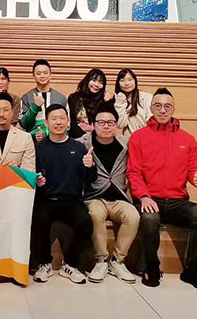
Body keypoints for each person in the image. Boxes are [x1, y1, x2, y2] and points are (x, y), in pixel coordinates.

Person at [126, 88, 197, 291]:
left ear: (173, 109)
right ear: (151, 108)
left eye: (167, 106)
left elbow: (196, 171)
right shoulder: (138, 137)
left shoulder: (187, 139)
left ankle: (193, 270)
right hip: (150, 198)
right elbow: (133, 173)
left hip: (178, 201)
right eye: (158, 106)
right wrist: (144, 196)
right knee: (149, 218)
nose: (162, 110)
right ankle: (151, 266)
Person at [31, 104, 96, 284]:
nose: (58, 122)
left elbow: (90, 179)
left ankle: (71, 265)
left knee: (85, 222)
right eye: (54, 119)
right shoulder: (39, 148)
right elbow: (32, 175)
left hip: (72, 200)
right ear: (46, 123)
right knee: (37, 220)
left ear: (68, 122)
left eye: (62, 118)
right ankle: (44, 263)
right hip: (46, 199)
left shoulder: (79, 147)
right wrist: (37, 182)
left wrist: (90, 166)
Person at [77, 102, 139, 284]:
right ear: (93, 124)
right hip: (94, 197)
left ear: (116, 124)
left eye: (110, 122)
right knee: (95, 214)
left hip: (119, 197)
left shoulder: (126, 143)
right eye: (101, 122)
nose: (106, 126)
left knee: (133, 216)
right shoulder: (82, 144)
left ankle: (117, 261)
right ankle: (101, 261)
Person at [19, 59, 68, 140]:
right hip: (33, 140)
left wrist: (48, 133)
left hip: (57, 139)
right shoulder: (26, 97)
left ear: (50, 75)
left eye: (45, 73)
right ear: (33, 76)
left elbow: (67, 124)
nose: (42, 76)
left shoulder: (60, 98)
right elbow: (23, 124)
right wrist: (35, 107)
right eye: (38, 73)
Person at [68, 68, 114, 139]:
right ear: (87, 80)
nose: (96, 85)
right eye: (94, 80)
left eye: (100, 82)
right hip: (77, 138)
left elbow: (108, 122)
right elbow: (70, 122)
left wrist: (106, 102)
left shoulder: (105, 100)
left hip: (99, 139)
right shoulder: (74, 98)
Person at [114, 69, 153, 138]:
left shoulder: (146, 97)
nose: (126, 83)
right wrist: (120, 102)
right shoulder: (118, 100)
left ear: (135, 81)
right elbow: (120, 124)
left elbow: (151, 121)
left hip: (146, 138)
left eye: (130, 79)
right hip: (129, 140)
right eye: (122, 80)